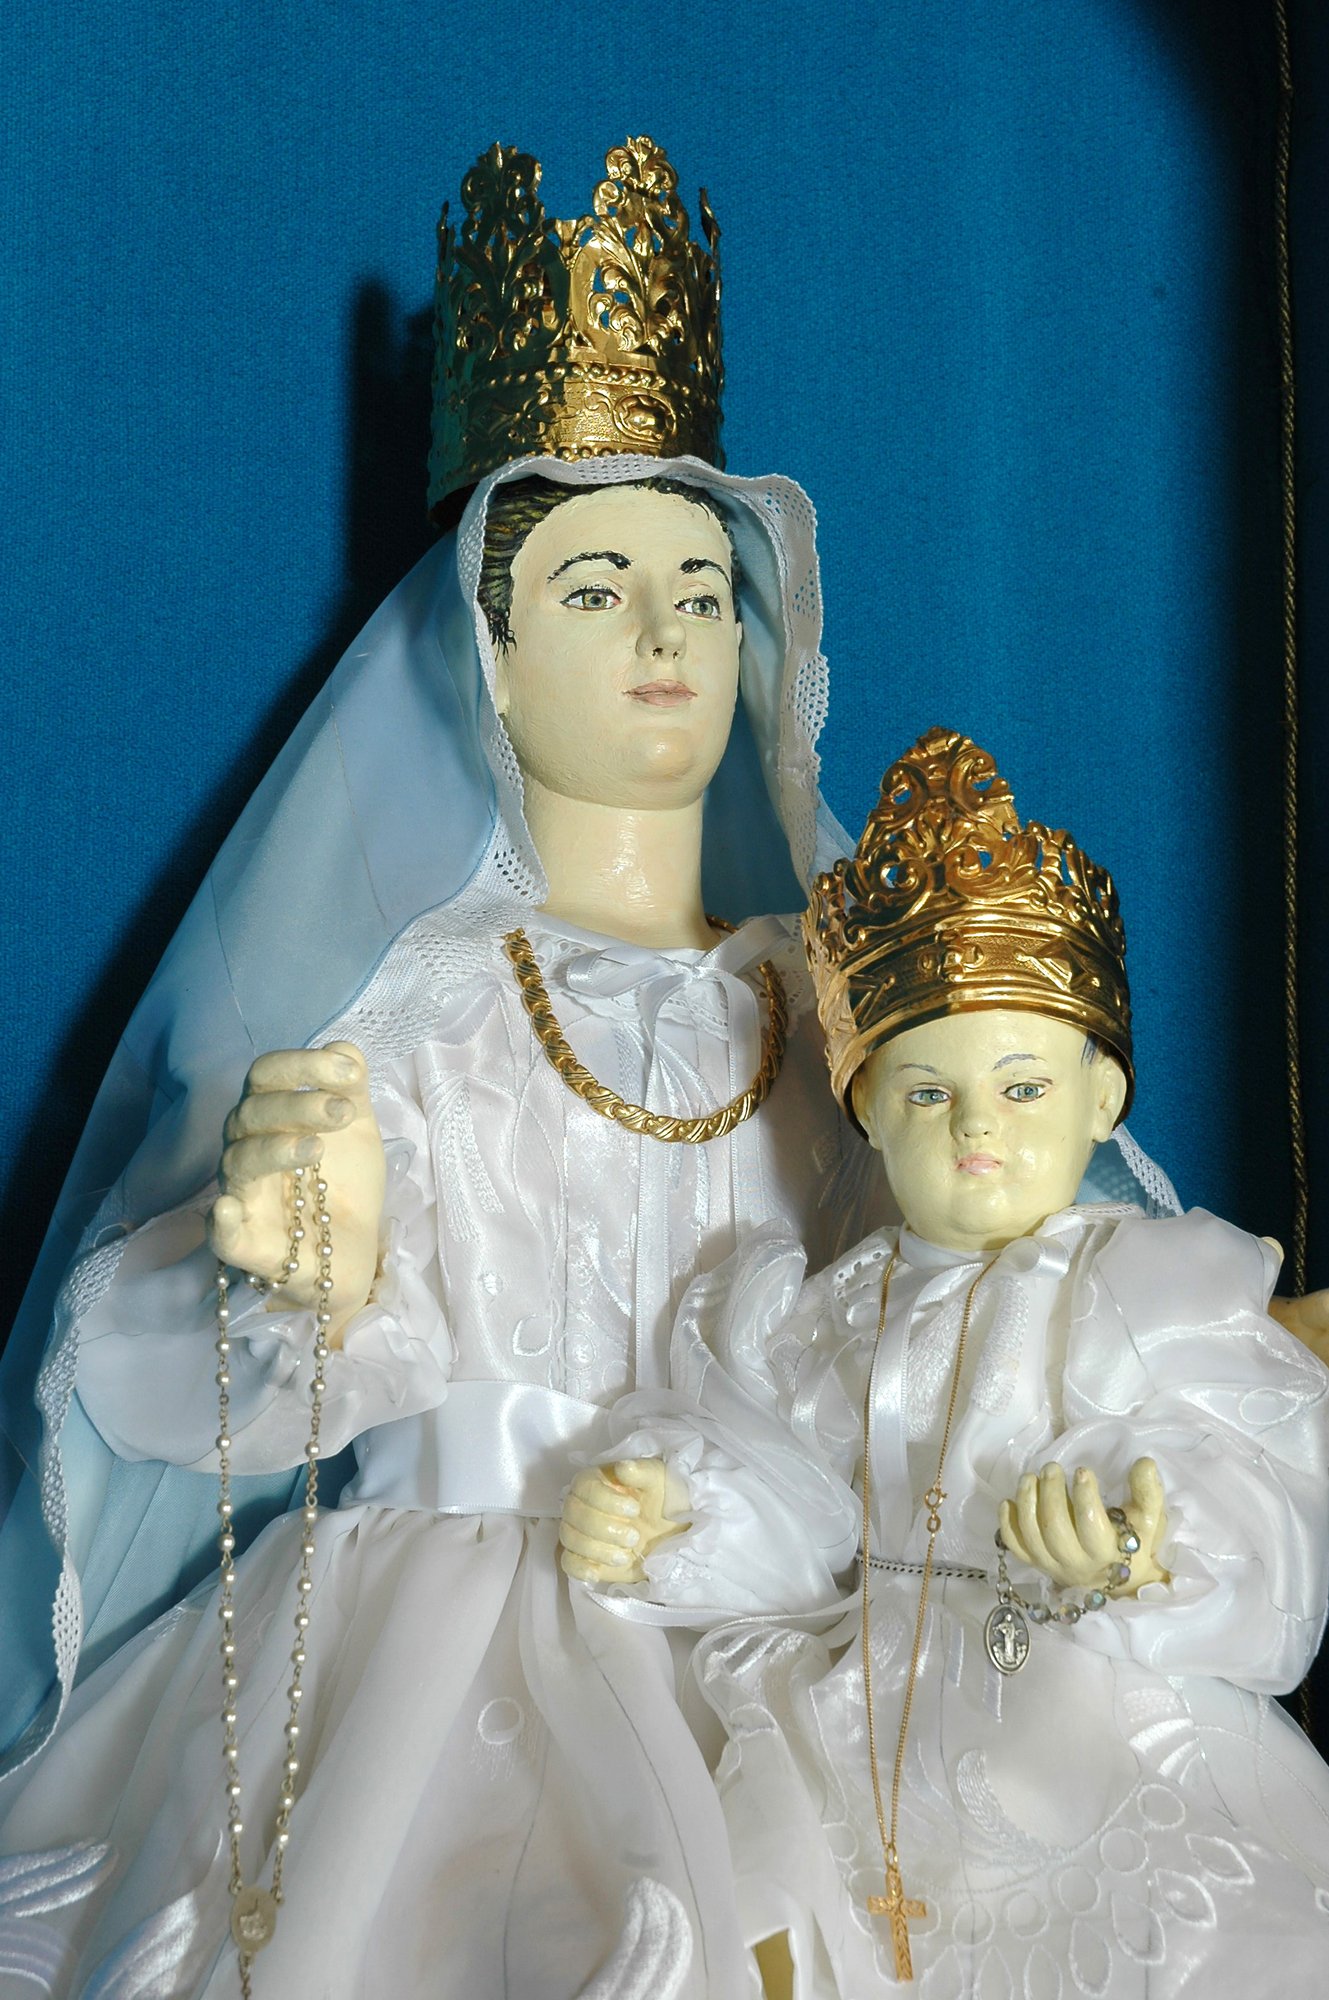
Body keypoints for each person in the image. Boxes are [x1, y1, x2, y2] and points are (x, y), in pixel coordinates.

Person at [0, 138, 883, 1999]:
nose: (664, 634)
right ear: (483, 652)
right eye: (591, 590)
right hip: (440, 1628)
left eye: (699, 588)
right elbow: (163, 1391)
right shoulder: (419, 1008)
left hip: (768, 1621)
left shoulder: (836, 1017)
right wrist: (290, 1278)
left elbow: (943, 1315)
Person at [561, 727, 1329, 1998]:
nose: (977, 1125)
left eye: (1023, 1089)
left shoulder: (1138, 1287)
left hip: (1079, 1709)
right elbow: (798, 1514)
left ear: (1102, 1098)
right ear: (867, 1106)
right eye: (928, 1093)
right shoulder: (827, 1317)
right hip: (861, 1727)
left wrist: (1148, 1544)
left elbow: (1256, 1471)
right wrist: (676, 1520)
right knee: (763, 1919)